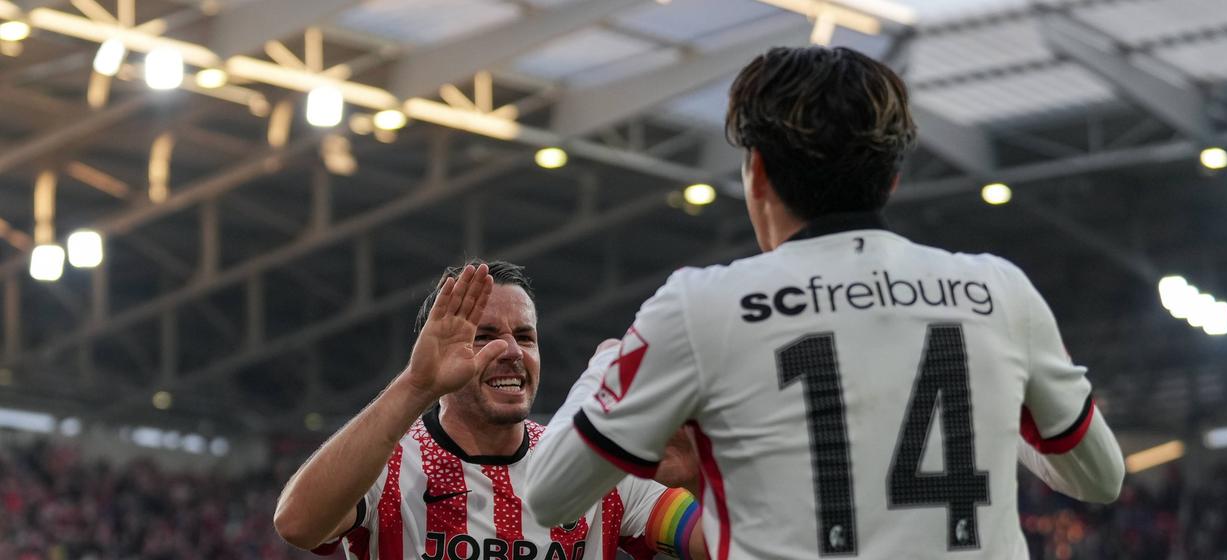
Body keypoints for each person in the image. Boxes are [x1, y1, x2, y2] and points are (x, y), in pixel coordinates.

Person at [524, 46, 1126, 559]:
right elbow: (1101, 478)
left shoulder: (698, 306)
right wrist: (989, 395)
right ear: (891, 178)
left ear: (757, 172)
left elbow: (547, 496)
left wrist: (605, 366)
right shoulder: (998, 292)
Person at [274, 261, 706, 560]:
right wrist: (416, 385)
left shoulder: (591, 465)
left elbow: (720, 545)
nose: (512, 351)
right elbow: (297, 524)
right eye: (485, 336)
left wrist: (697, 479)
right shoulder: (386, 464)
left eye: (526, 336)